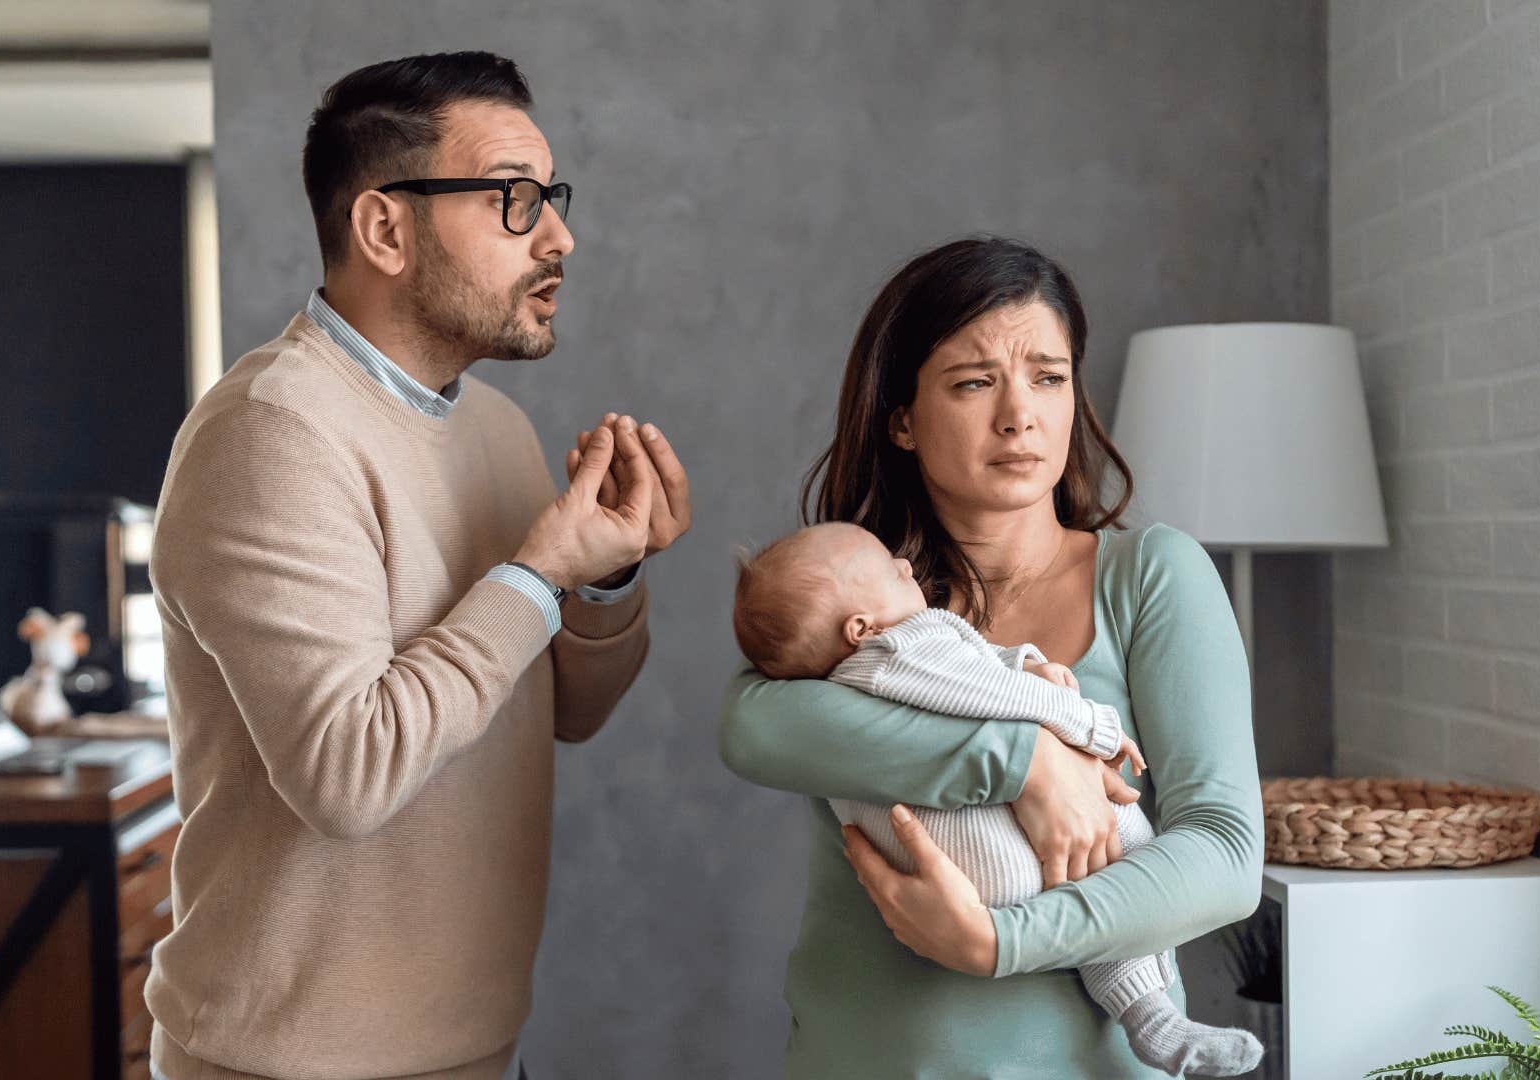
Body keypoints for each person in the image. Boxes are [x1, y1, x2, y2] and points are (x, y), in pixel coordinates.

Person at [146, 52, 690, 1080]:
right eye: (516, 202)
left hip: (478, 1049)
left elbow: (560, 710)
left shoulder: (497, 430)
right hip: (291, 1066)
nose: (561, 237)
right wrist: (537, 572)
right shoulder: (272, 435)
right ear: (386, 228)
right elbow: (348, 774)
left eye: (552, 201)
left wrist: (604, 580)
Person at [717, 236, 1263, 1077]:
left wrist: (998, 943)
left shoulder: (1152, 575)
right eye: (974, 383)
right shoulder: (854, 607)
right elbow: (752, 729)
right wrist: (1025, 762)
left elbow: (1224, 855)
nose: (1021, 415)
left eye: (1048, 376)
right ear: (901, 418)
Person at [731, 521, 1263, 1075]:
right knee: (1122, 835)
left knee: (1107, 852)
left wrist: (1026, 664)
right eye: (889, 569)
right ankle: (1147, 1013)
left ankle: (1150, 1017)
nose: (905, 568)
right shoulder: (894, 648)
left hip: (984, 903)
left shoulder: (1148, 571)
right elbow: (977, 686)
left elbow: (1224, 853)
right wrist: (1074, 735)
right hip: (987, 874)